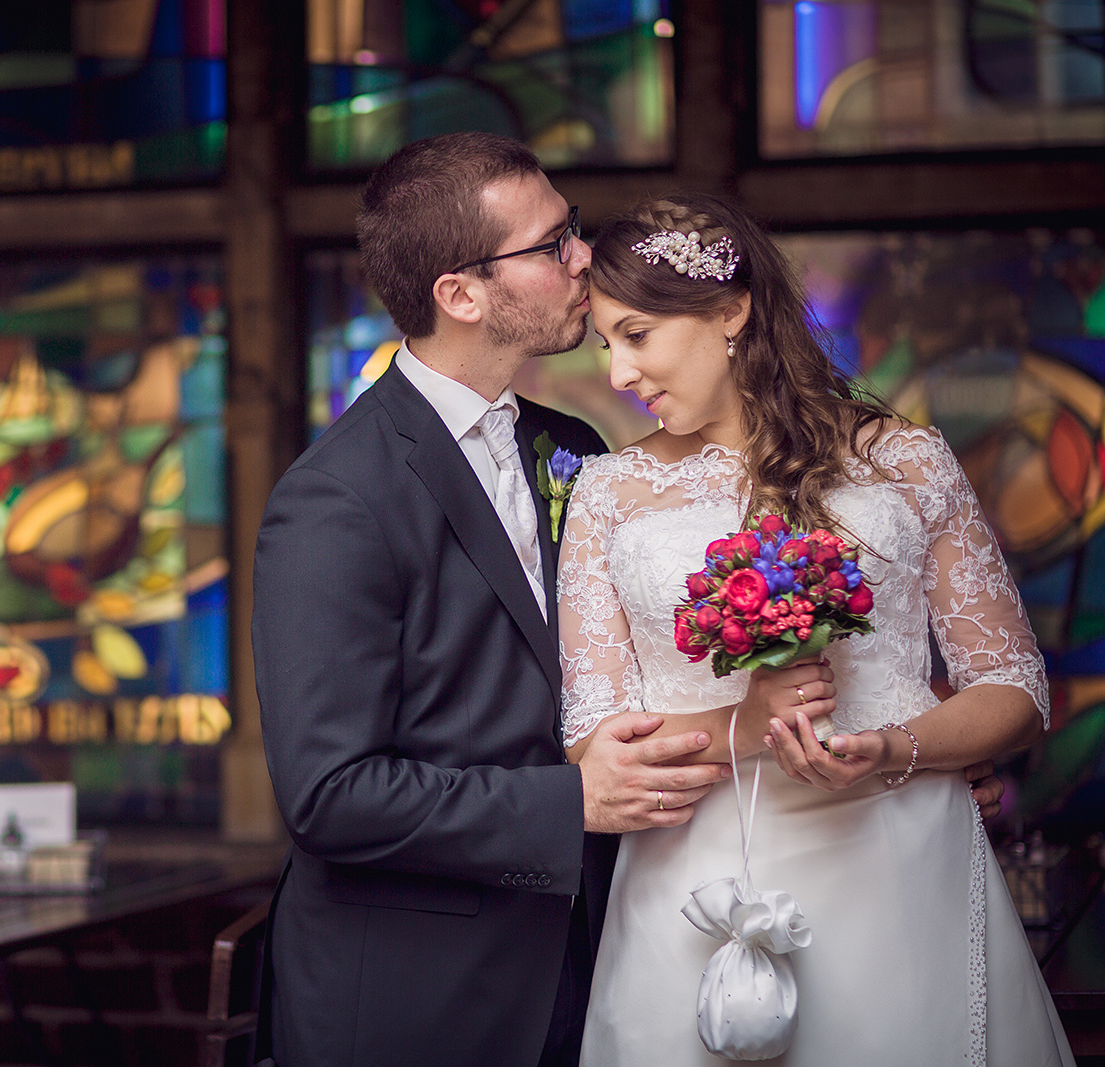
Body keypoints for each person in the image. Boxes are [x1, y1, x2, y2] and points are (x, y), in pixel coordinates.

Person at [250, 134, 743, 1066]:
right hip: (421, 999)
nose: (584, 258)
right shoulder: (334, 499)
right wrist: (572, 803)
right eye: (552, 243)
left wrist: (890, 747)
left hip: (598, 957)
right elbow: (329, 795)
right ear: (461, 294)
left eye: (574, 231)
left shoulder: (573, 445)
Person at [559, 192, 1072, 1065]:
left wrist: (890, 748)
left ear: (731, 310)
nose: (617, 374)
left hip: (901, 855)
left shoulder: (906, 460)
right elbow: (590, 739)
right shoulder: (609, 494)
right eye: (605, 344)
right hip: (697, 876)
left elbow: (1015, 691)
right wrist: (744, 726)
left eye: (636, 336)